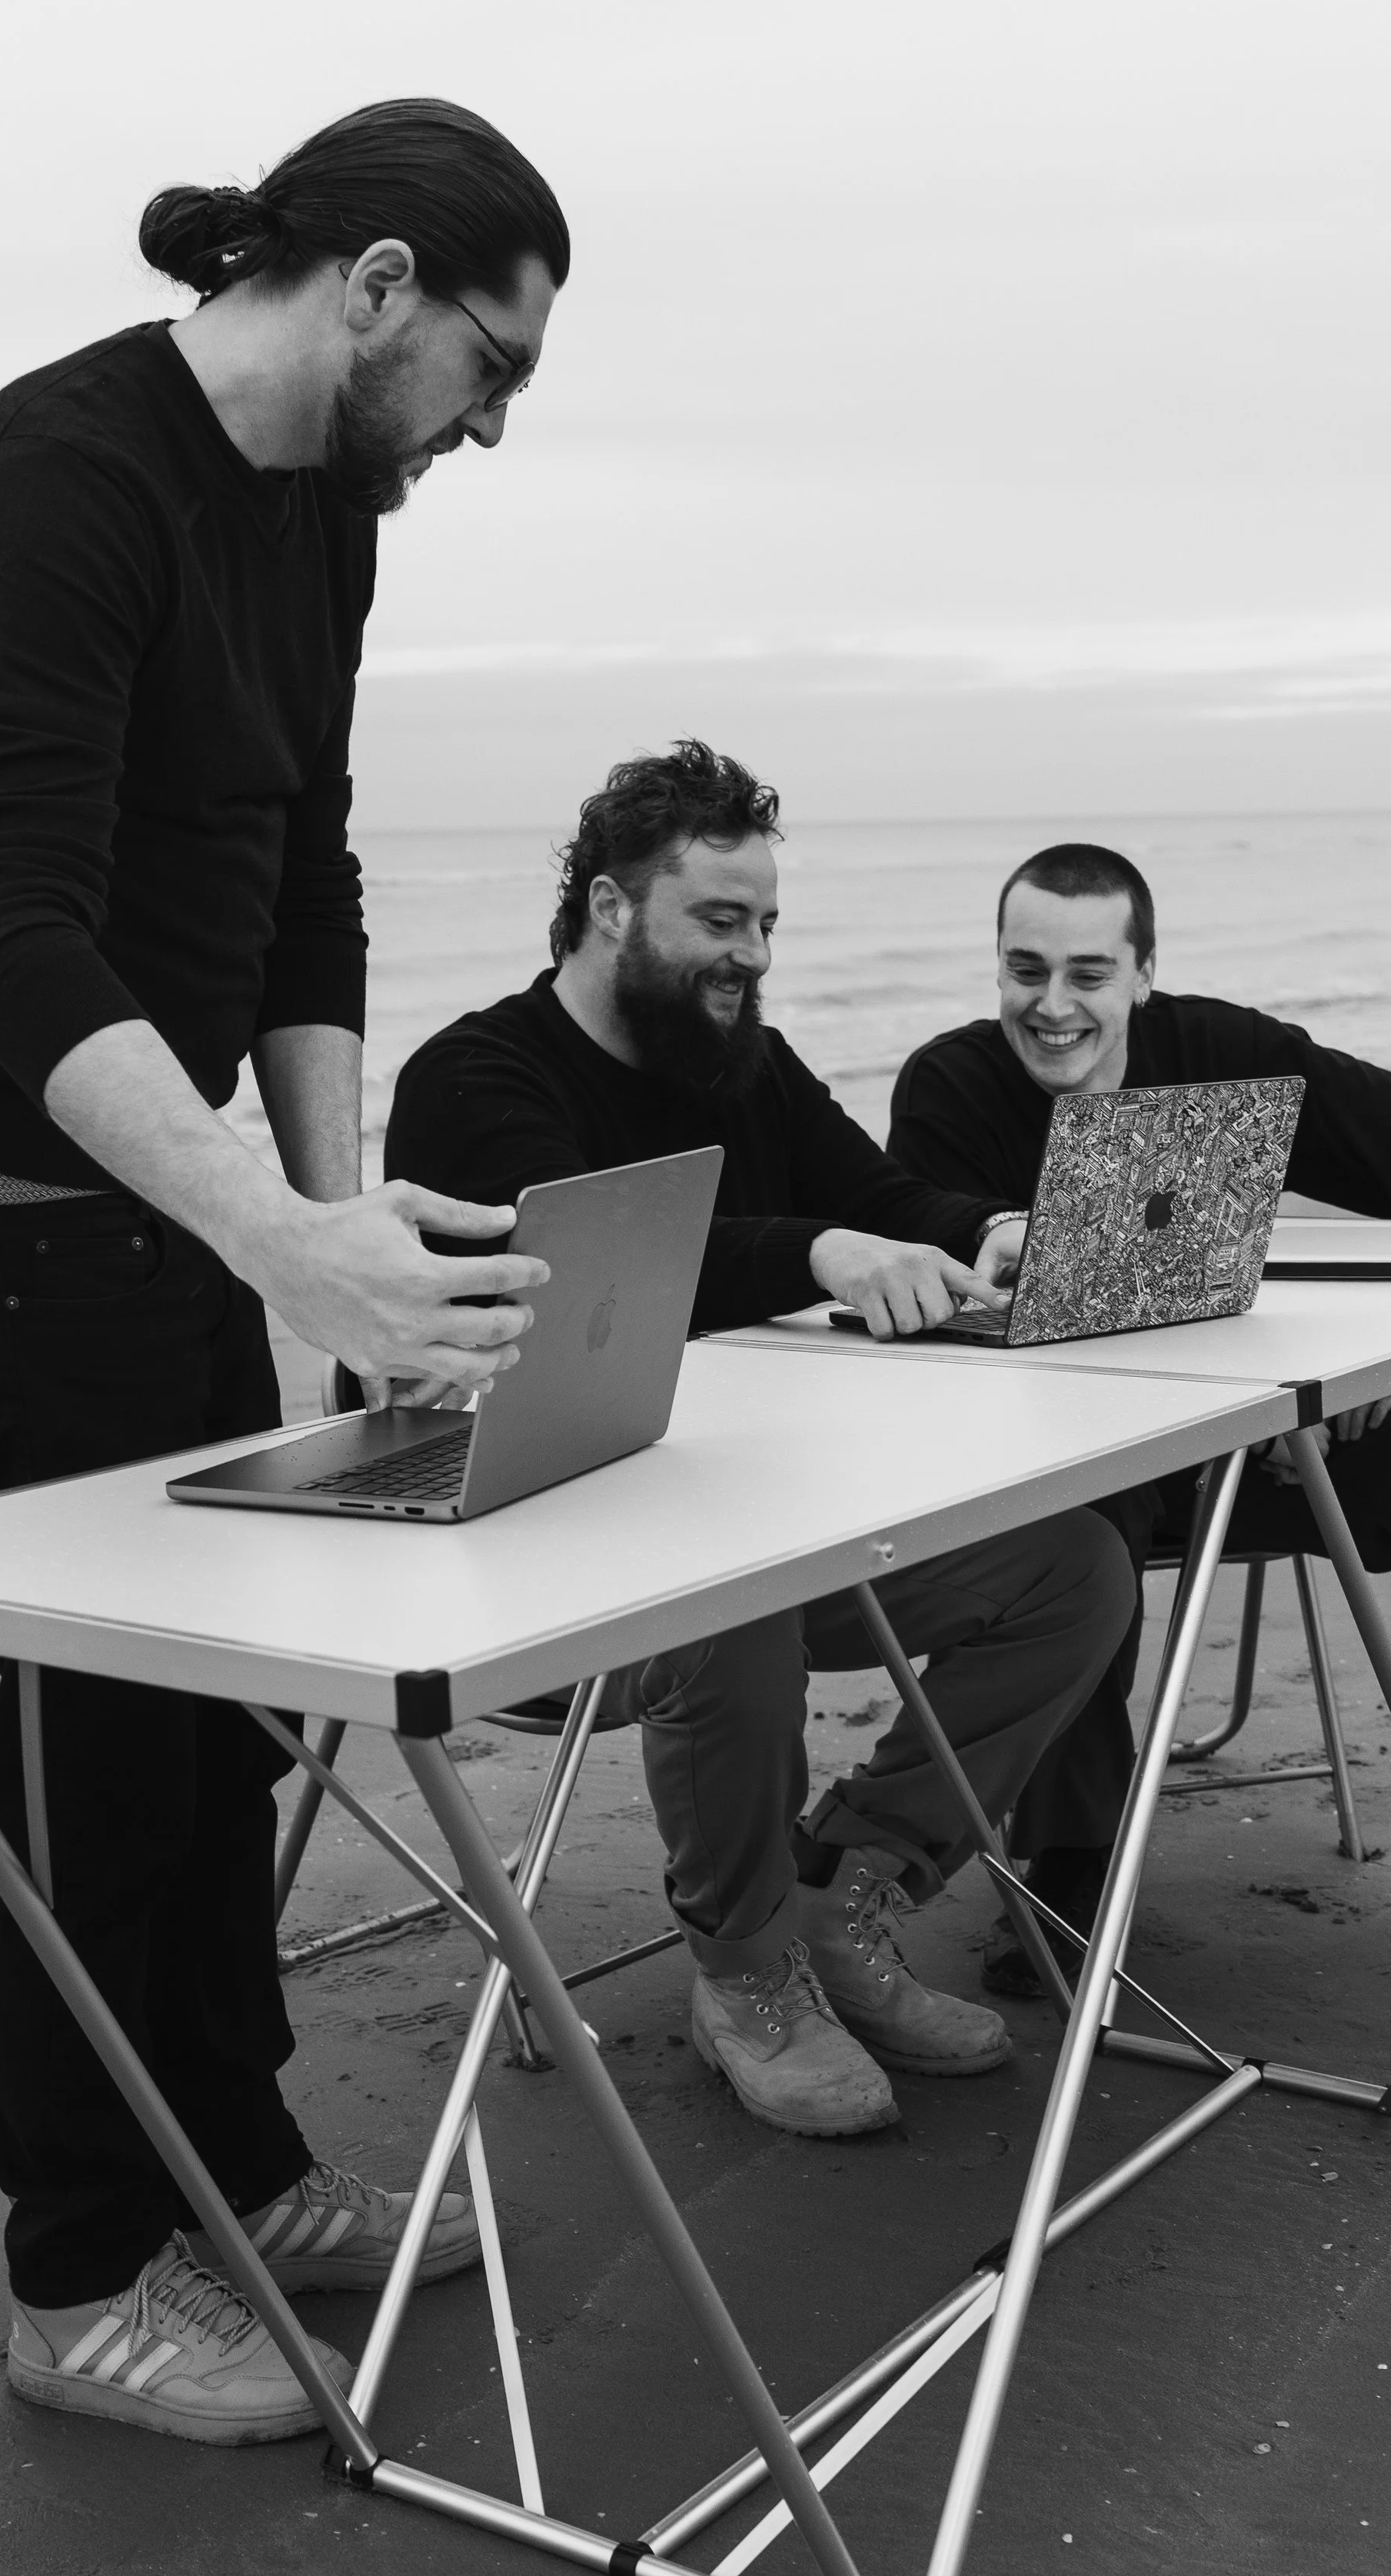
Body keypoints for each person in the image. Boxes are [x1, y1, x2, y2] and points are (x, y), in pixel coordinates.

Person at [0, 100, 574, 2443]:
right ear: (372, 284)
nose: (487, 424)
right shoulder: (51, 483)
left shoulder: (320, 515)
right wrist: (276, 1229)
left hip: (174, 1201)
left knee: (216, 1709)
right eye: (489, 361)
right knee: (89, 1742)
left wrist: (342, 1216)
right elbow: (11, 924)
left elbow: (302, 878)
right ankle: (74, 2281)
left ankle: (234, 2162)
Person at [385, 745, 1136, 2137]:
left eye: (769, 924)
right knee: (737, 1596)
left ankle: (846, 1888)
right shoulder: (475, 1079)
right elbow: (594, 1272)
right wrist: (823, 1251)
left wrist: (989, 1229)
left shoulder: (743, 1059)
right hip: (519, 1552)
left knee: (1074, 1570)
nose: (754, 958)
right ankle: (743, 1972)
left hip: (753, 1510)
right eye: (721, 922)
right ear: (613, 909)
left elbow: (876, 1187)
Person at [887, 841, 1391, 2039]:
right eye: (1025, 969)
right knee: (1075, 1509)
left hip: (1269, 1442)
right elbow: (923, 1263)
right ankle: (1070, 1856)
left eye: (1087, 972)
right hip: (1071, 1468)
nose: (1052, 1005)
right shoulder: (951, 1086)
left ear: (1144, 976)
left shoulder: (1225, 1053)